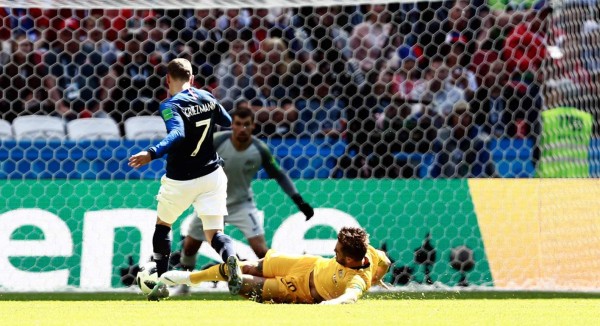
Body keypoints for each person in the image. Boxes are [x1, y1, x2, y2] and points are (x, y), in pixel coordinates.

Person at [128, 58, 242, 300]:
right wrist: (207, 106)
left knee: (163, 225)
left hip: (181, 179)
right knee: (215, 233)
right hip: (211, 175)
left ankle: (161, 282)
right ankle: (230, 257)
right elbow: (227, 122)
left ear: (167, 79)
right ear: (192, 78)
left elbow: (178, 133)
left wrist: (151, 152)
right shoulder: (207, 97)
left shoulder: (169, 105)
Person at [173, 104, 314, 294]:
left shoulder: (259, 149)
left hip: (242, 205)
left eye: (246, 125)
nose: (242, 129)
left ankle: (276, 286)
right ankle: (184, 285)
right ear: (232, 125)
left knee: (261, 251)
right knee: (190, 247)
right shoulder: (217, 141)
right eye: (238, 124)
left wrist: (299, 201)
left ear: (253, 126)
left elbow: (279, 175)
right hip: (212, 203)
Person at [151, 226, 391, 304]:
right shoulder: (369, 251)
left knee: (242, 284)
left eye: (337, 251)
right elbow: (386, 262)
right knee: (244, 267)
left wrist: (330, 305)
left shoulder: (356, 280)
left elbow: (350, 297)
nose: (333, 251)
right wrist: (377, 275)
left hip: (302, 291)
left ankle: (230, 283)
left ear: (350, 260)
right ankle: (187, 278)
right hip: (305, 264)